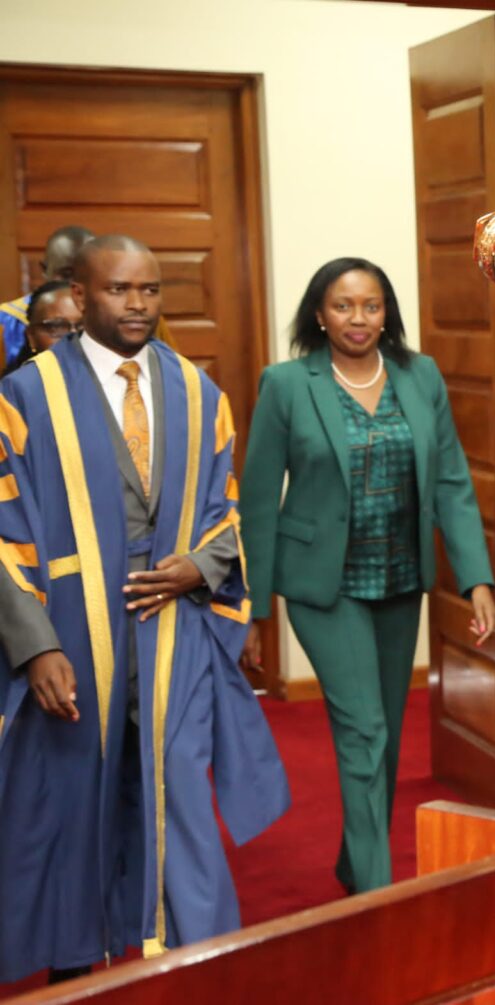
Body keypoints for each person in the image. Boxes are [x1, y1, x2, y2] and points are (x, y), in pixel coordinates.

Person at [0, 235, 289, 984]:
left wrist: (204, 565)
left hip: (175, 624)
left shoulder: (198, 391)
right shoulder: (27, 395)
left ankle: (200, 963)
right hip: (72, 622)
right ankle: (76, 963)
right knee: (73, 793)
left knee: (179, 784)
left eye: (150, 290)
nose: (137, 305)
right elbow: (3, 528)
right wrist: (35, 645)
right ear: (80, 295)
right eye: (119, 290)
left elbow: (226, 507)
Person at [239, 256, 495, 894]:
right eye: (343, 305)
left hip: (401, 580)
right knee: (365, 730)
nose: (358, 318)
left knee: (383, 733)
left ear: (387, 314)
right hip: (324, 588)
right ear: (320, 314)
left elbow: (452, 482)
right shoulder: (287, 384)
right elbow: (258, 500)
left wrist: (476, 580)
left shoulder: (419, 374)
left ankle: (357, 864)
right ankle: (379, 898)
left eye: (371, 305)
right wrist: (254, 610)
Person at [0, 225, 94, 367]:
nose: (77, 285)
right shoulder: (6, 321)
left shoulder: (108, 318)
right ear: (44, 270)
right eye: (67, 274)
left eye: (87, 275)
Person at [1, 279, 83, 377]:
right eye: (57, 327)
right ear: (31, 335)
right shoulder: (15, 385)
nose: (73, 335)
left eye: (83, 326)